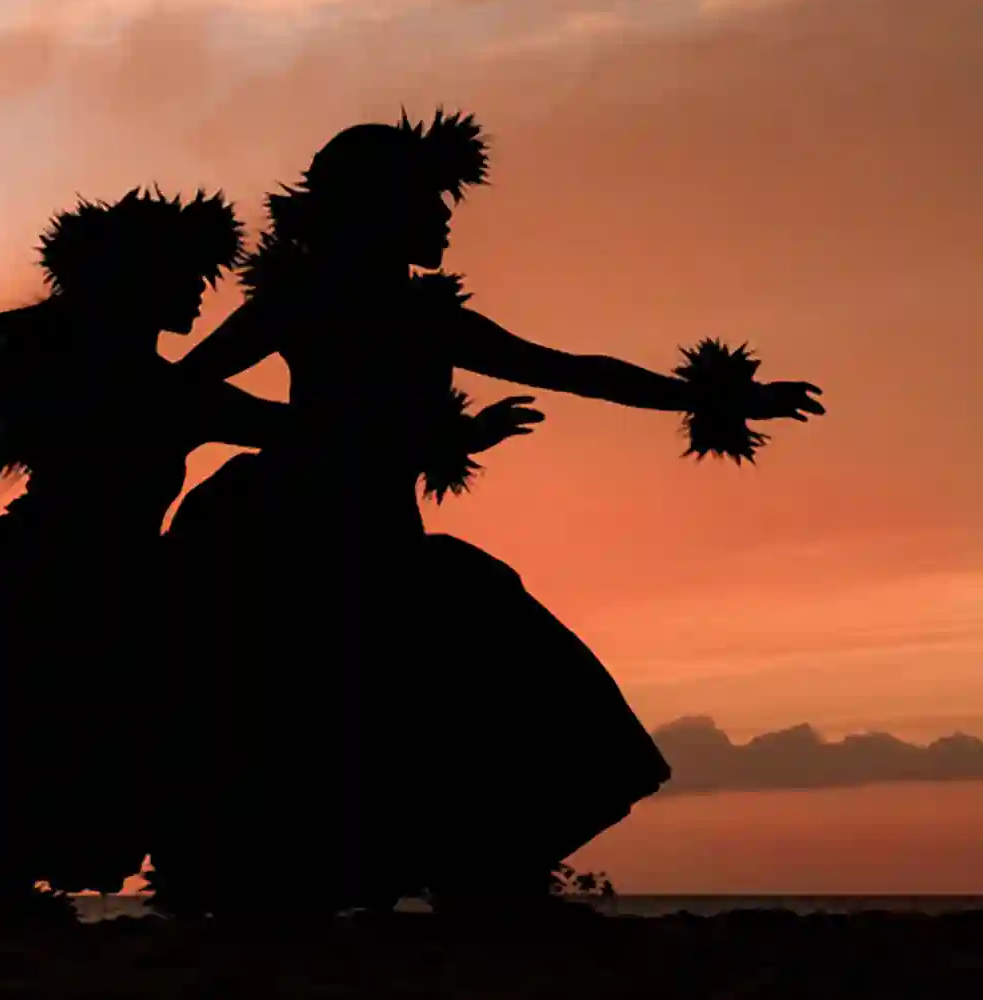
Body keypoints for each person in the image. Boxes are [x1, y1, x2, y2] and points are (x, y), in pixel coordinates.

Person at [0, 186, 550, 895]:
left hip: (96, 579)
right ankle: (23, 881)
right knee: (17, 724)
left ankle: (25, 883)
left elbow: (311, 433)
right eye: (186, 278)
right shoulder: (129, 383)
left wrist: (448, 442)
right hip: (63, 574)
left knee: (72, 737)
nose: (199, 295)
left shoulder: (156, 387)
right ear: (137, 282)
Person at [148, 110, 827, 916]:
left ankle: (463, 879)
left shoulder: (423, 317)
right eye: (427, 203)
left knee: (423, 713)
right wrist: (291, 430)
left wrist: (717, 395)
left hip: (381, 539)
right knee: (321, 716)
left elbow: (574, 371)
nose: (441, 220)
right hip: (296, 543)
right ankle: (320, 886)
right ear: (379, 209)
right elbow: (177, 389)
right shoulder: (302, 304)